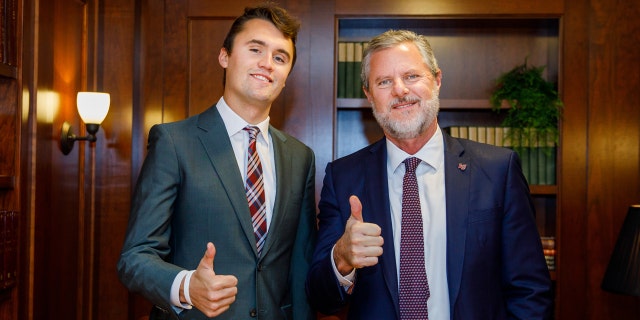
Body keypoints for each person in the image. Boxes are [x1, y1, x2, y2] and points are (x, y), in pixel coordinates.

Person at [306, 29, 553, 319]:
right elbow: (320, 298)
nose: (400, 90)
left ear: (436, 80)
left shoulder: (498, 170)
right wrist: (342, 258)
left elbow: (530, 291)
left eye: (411, 76)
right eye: (384, 82)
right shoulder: (343, 177)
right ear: (369, 95)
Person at [117, 3, 317, 320]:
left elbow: (300, 265)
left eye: (280, 58)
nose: (267, 64)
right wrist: (185, 286)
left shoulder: (300, 157)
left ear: (285, 77)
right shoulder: (174, 142)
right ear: (224, 56)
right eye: (255, 49)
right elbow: (135, 256)